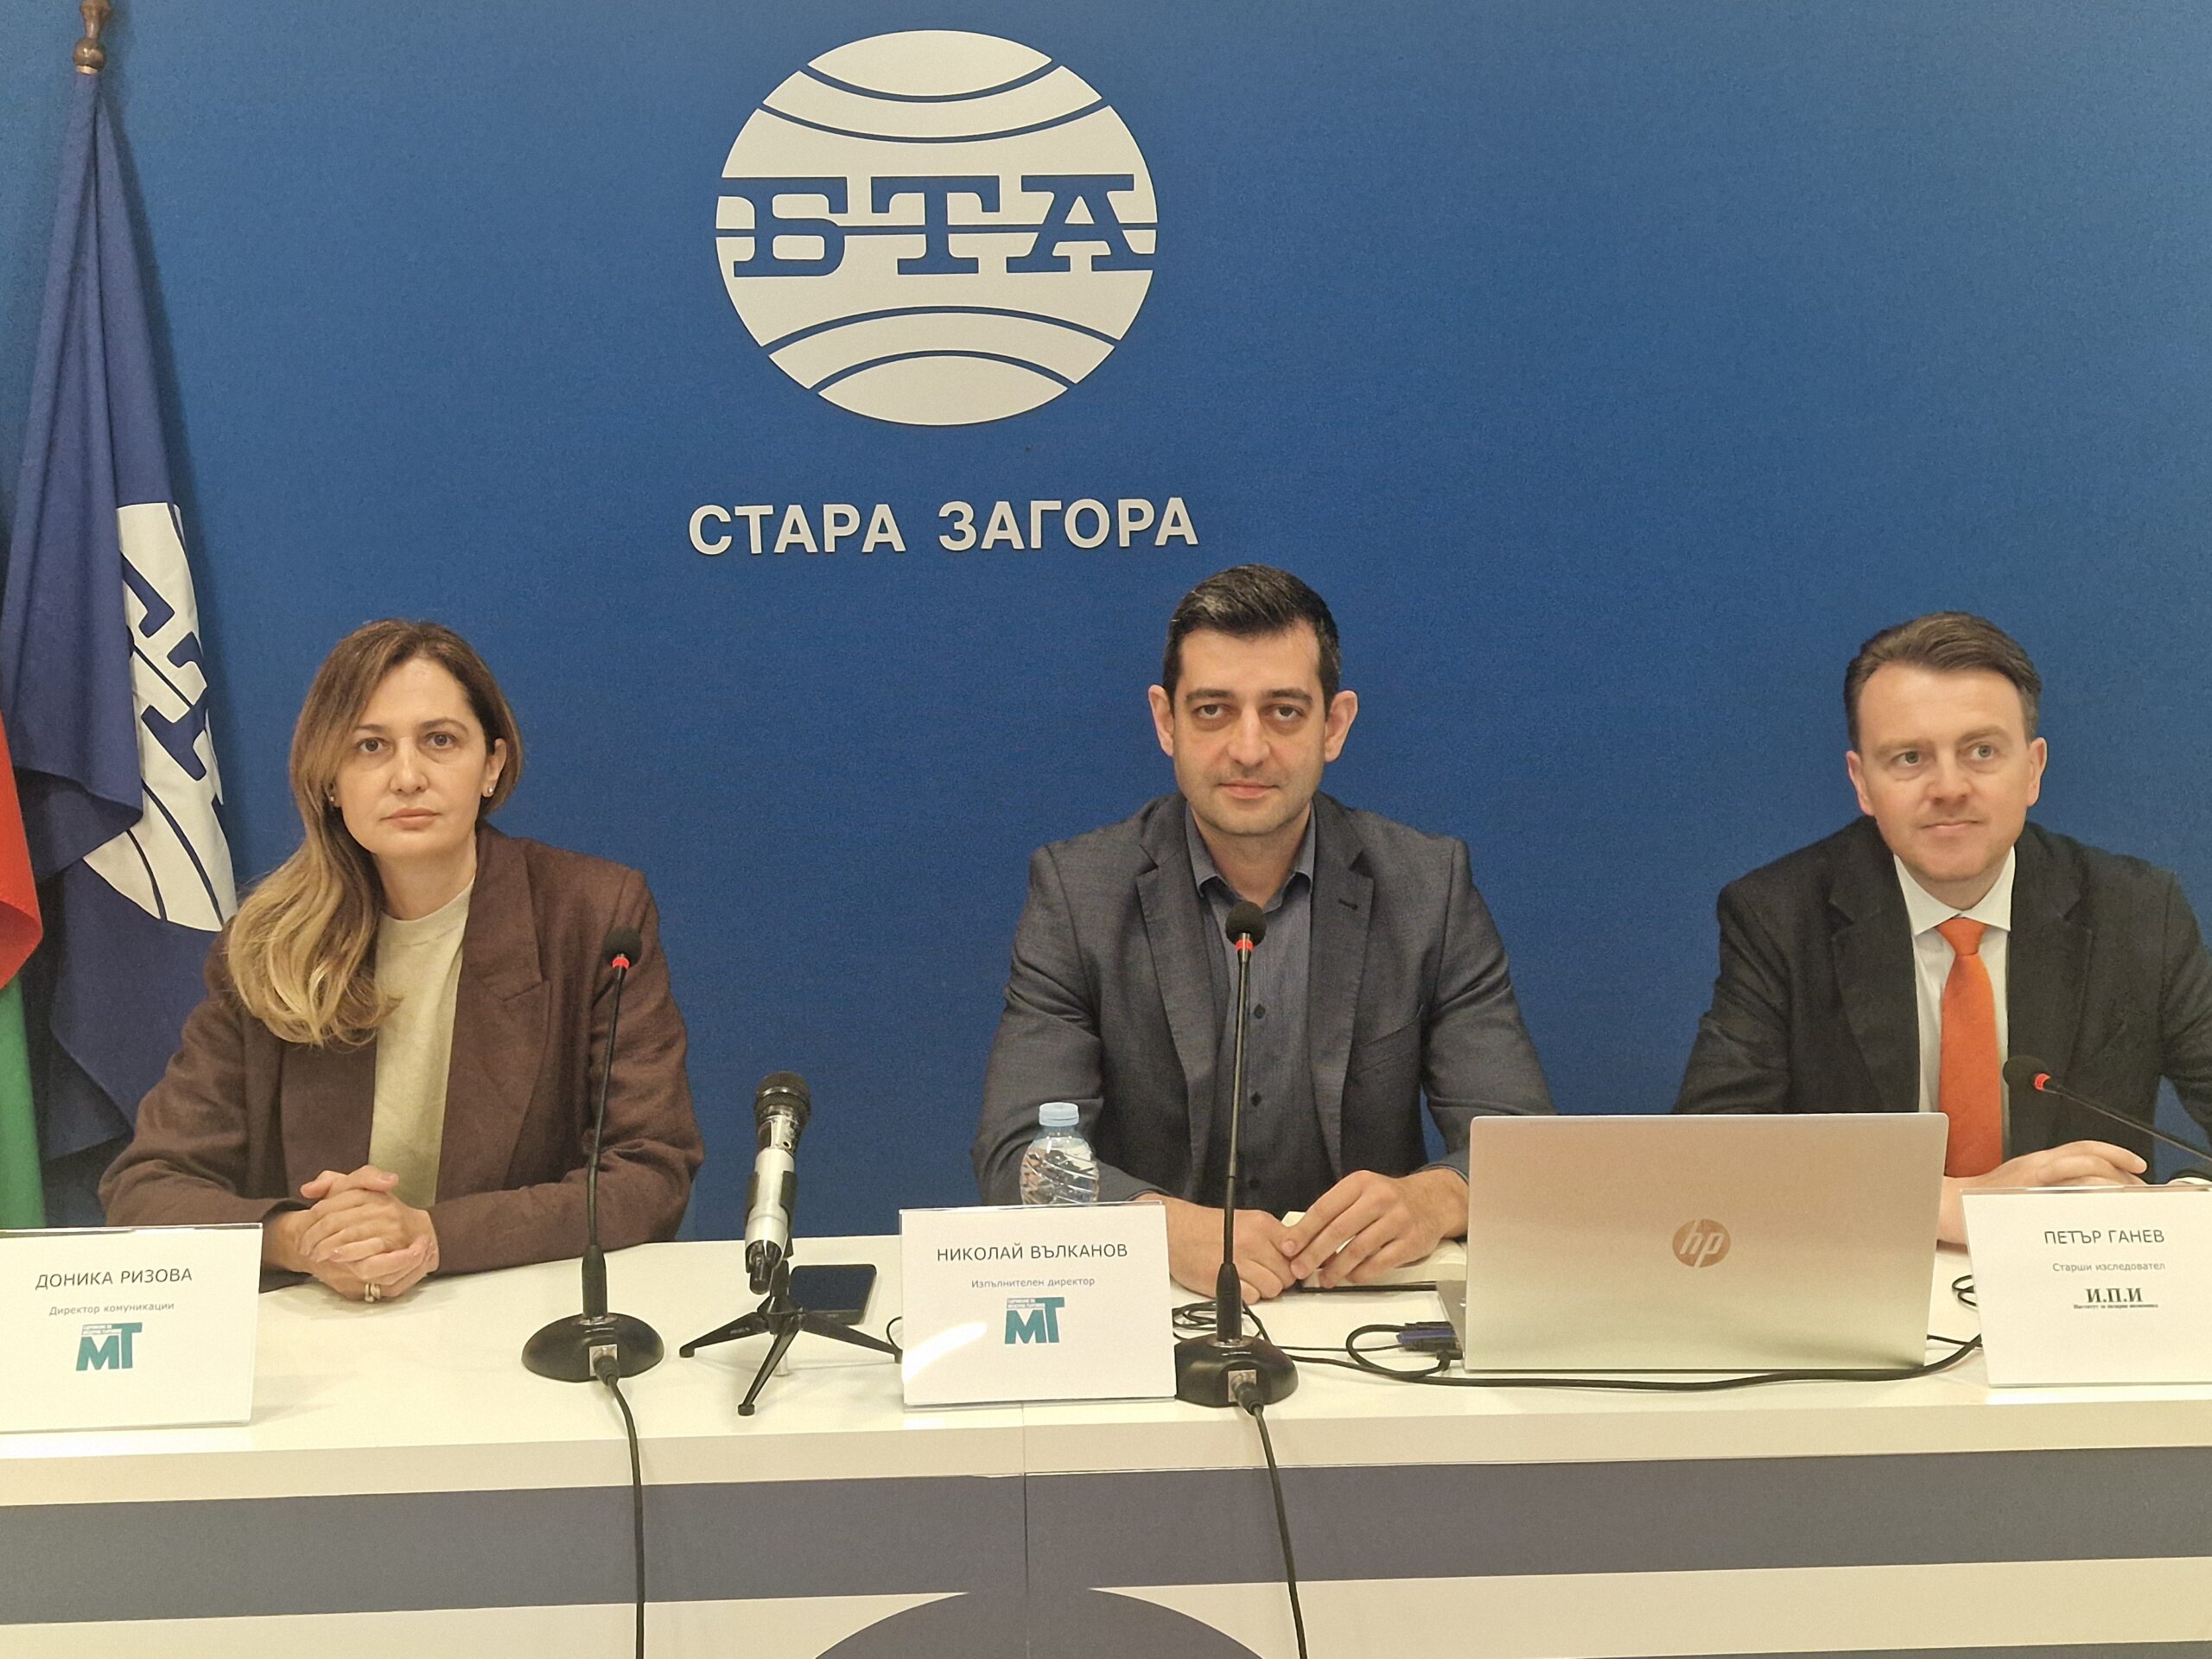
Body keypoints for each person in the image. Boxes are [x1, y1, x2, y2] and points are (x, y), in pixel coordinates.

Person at [974, 565, 1552, 1300]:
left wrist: (1433, 1199)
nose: (1248, 749)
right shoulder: (1079, 892)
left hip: (1362, 1308)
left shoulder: (1426, 886)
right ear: (1167, 722)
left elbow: (1524, 1146)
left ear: (1333, 726)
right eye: (1213, 710)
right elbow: (1018, 1153)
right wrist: (1158, 1227)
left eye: (1283, 712)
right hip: (1161, 1306)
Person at [101, 620, 702, 1300]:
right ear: (330, 780)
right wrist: (301, 1239)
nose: (408, 777)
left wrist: (431, 1235)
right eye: (370, 746)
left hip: (513, 1313)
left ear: (492, 765)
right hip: (324, 1326)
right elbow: (146, 1188)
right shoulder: (269, 945)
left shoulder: (592, 918)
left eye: (440, 741)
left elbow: (649, 1176)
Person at [1675, 611, 2212, 1242]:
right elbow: (1712, 1153)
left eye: (1981, 751)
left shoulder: (2137, 909)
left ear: (2033, 769)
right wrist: (1946, 1203)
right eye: (1909, 758)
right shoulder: (1780, 916)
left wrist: (2175, 1209)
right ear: (1863, 784)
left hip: (2080, 1270)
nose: (1949, 788)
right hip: (1871, 1265)